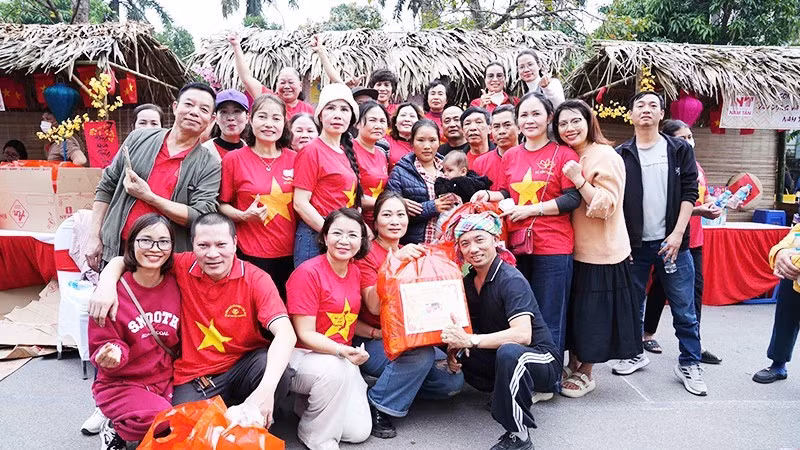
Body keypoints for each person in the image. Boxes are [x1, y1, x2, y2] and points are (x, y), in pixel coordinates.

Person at [89, 212, 296, 426]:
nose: (213, 254)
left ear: (235, 243)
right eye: (203, 245)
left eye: (221, 244)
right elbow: (132, 259)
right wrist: (106, 282)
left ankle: (251, 422)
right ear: (192, 245)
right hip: (196, 374)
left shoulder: (255, 278)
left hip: (243, 365)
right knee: (178, 426)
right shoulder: (181, 265)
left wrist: (264, 393)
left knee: (277, 373)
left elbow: (286, 333)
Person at [473, 92, 581, 380]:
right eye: (524, 115)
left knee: (548, 317)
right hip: (517, 246)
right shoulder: (511, 155)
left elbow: (573, 199)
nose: (529, 120)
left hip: (553, 247)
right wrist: (490, 194)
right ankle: (523, 375)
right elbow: (510, 191)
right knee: (520, 316)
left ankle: (549, 379)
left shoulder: (564, 154)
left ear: (549, 118)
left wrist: (530, 211)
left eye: (536, 114)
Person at [614, 91, 707, 396]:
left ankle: (690, 362)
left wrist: (678, 234)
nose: (646, 109)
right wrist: (623, 243)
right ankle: (634, 353)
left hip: (673, 243)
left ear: (661, 114)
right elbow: (615, 203)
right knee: (632, 304)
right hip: (636, 246)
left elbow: (689, 193)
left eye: (653, 105)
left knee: (684, 307)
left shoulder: (678, 149)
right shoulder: (622, 153)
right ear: (631, 114)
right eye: (639, 105)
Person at [443, 212, 560, 450]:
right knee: (452, 339)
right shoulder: (469, 281)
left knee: (508, 352)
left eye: (479, 240)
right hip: (504, 353)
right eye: (465, 243)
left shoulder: (510, 279)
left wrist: (471, 340)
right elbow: (467, 328)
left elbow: (522, 335)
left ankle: (520, 436)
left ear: (495, 240)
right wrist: (454, 349)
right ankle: (502, 394)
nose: (473, 249)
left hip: (540, 357)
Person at [353, 191, 464, 439]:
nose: (395, 220)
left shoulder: (412, 251)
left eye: (400, 214)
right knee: (421, 357)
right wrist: (393, 263)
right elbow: (372, 305)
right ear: (376, 221)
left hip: (408, 337)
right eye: (387, 214)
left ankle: (397, 386)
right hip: (374, 339)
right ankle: (377, 404)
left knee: (451, 382)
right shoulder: (366, 255)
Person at [552, 99, 640, 398]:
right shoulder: (564, 154)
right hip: (569, 248)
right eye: (563, 123)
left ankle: (586, 372)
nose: (569, 128)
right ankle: (573, 363)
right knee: (576, 312)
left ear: (590, 121)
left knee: (593, 315)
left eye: (576, 120)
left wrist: (578, 179)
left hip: (600, 251)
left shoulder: (605, 155)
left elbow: (605, 205)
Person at [85, 82, 221, 270]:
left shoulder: (210, 164)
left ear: (212, 119)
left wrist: (149, 197)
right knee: (110, 298)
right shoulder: (138, 139)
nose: (194, 112)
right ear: (175, 107)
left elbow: (200, 215)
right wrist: (93, 236)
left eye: (203, 109)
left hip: (165, 260)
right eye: (188, 104)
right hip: (117, 248)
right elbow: (107, 186)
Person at [89, 214, 181, 450]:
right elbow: (103, 343)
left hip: (165, 380)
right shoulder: (111, 293)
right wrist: (112, 353)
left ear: (172, 247)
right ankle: (117, 427)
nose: (155, 249)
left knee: (188, 422)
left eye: (163, 242)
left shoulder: (178, 282)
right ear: (132, 244)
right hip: (121, 383)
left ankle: (129, 424)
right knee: (164, 421)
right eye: (146, 240)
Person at [286, 208, 372, 450]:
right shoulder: (307, 273)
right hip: (302, 356)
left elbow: (347, 321)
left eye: (353, 235)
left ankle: (307, 405)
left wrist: (376, 335)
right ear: (324, 237)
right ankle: (316, 437)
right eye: (337, 233)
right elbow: (305, 333)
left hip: (338, 356)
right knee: (335, 368)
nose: (344, 240)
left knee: (358, 432)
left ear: (361, 241)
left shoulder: (355, 271)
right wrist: (342, 351)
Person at [642, 120, 723, 365]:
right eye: (683, 137)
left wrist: (714, 204)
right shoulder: (666, 165)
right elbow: (674, 203)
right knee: (660, 288)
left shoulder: (695, 165)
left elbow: (703, 195)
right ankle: (647, 334)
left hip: (694, 239)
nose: (689, 141)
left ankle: (693, 345)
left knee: (693, 292)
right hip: (671, 237)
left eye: (690, 136)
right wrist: (698, 211)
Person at [218, 94, 297, 300]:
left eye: (276, 118)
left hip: (291, 254)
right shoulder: (234, 159)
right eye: (262, 117)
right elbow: (221, 204)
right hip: (250, 253)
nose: (269, 124)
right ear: (251, 120)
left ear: (284, 123)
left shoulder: (296, 159)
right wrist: (244, 215)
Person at [293, 83, 363, 267]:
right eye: (330, 108)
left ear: (352, 117)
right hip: (315, 235)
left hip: (340, 237)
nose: (337, 115)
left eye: (344, 109)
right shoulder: (311, 151)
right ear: (320, 115)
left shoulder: (345, 151)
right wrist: (330, 234)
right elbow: (300, 203)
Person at [388, 119, 457, 245]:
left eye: (432, 140)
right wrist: (431, 207)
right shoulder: (399, 172)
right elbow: (392, 213)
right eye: (420, 140)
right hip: (413, 246)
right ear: (412, 142)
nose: (427, 146)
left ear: (439, 142)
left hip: (446, 248)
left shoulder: (451, 169)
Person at [229, 32, 314, 120]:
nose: (287, 86)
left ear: (300, 86)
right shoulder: (269, 99)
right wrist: (236, 46)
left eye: (291, 82)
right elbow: (246, 78)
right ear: (276, 85)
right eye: (282, 82)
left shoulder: (308, 109)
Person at [755, 226, 800, 383]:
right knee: (786, 317)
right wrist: (780, 252)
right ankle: (778, 364)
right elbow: (796, 233)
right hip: (796, 271)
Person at [353, 101, 390, 229]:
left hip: (378, 223)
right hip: (356, 223)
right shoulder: (349, 151)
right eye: (372, 120)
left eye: (382, 121)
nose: (378, 126)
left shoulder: (381, 153)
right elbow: (350, 195)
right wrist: (389, 204)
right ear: (357, 123)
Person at [434, 151, 492, 234]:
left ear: (463, 172)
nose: (445, 174)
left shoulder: (472, 182)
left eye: (450, 170)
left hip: (468, 217)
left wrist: (456, 183)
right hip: (448, 215)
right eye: (444, 171)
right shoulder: (443, 182)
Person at [473, 105, 519, 189]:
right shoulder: (480, 163)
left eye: (507, 125)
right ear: (490, 129)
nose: (501, 131)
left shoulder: (529, 159)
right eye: (496, 126)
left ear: (519, 127)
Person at [202, 89, 249, 161]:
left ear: (247, 117)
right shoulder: (203, 153)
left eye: (237, 111)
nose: (230, 118)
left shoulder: (252, 153)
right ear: (216, 118)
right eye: (224, 112)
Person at [386, 102, 422, 168]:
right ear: (395, 122)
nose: (407, 119)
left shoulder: (423, 144)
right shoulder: (385, 141)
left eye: (412, 116)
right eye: (403, 115)